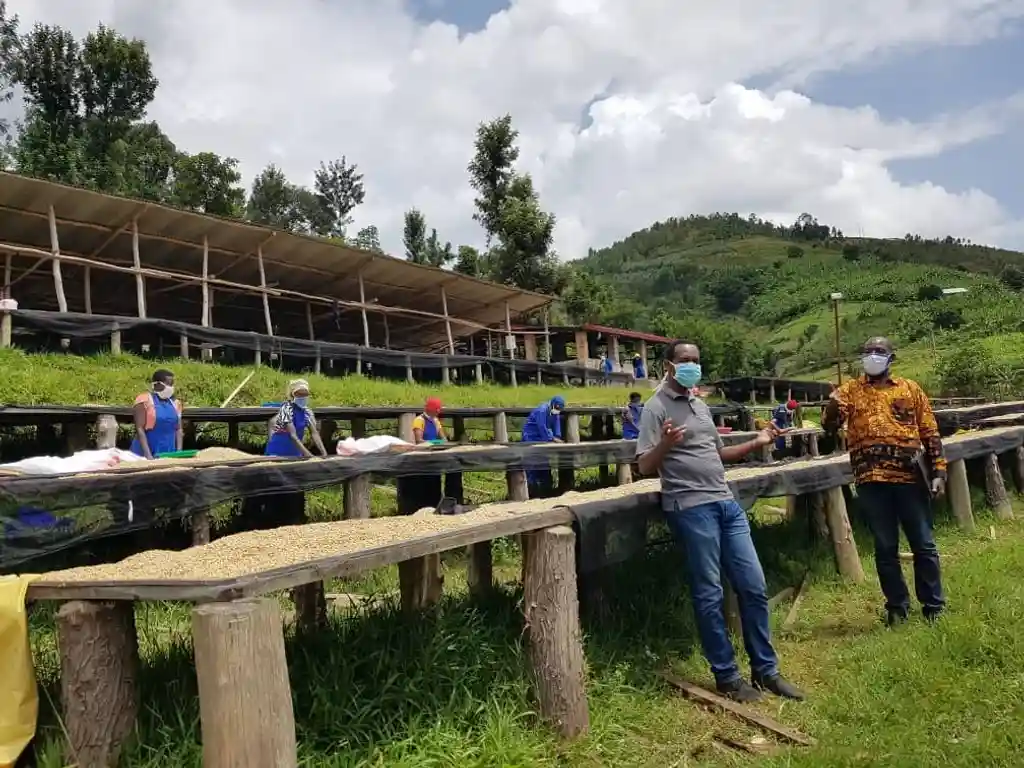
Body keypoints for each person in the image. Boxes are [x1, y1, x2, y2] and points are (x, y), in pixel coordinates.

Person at [636, 340, 804, 703]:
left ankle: (766, 671)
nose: (691, 366)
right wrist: (665, 444)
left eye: (696, 360)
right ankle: (727, 677)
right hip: (690, 506)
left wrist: (756, 442)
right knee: (709, 593)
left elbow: (717, 453)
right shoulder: (654, 408)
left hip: (725, 502)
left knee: (753, 585)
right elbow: (645, 465)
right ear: (669, 365)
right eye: (684, 360)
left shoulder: (699, 405)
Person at [822, 336, 946, 626]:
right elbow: (829, 429)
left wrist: (939, 471)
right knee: (885, 547)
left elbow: (930, 432)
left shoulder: (910, 388)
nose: (873, 356)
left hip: (910, 478)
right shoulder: (849, 391)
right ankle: (897, 607)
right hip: (871, 480)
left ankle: (934, 607)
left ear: (891, 357)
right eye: (867, 352)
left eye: (879, 351)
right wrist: (830, 406)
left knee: (924, 544)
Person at [265, 379, 328, 458]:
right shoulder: (286, 409)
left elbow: (314, 433)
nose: (302, 397)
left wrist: (324, 453)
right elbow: (293, 436)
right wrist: (310, 456)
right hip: (277, 451)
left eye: (305, 394)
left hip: (295, 451)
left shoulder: (307, 412)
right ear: (292, 395)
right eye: (299, 394)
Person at [130, 369, 183, 459]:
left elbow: (178, 430)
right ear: (157, 384)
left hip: (169, 453)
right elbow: (140, 429)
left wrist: (179, 452)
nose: (171, 387)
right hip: (144, 454)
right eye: (168, 384)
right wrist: (148, 456)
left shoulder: (175, 403)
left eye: (172, 384)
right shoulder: (144, 400)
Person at [521, 395, 565, 495]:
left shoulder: (555, 412)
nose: (557, 411)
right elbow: (542, 427)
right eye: (557, 408)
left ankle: (547, 491)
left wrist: (558, 437)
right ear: (553, 404)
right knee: (532, 465)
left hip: (543, 440)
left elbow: (556, 425)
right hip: (530, 437)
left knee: (545, 465)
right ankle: (532, 491)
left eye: (559, 409)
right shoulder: (542, 410)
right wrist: (552, 439)